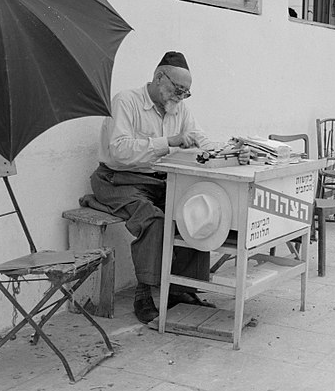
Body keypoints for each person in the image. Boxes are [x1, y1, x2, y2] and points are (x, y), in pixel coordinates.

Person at [89, 51, 231, 324]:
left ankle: (181, 289)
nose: (180, 97)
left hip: (156, 180)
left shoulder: (178, 108)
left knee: (196, 209)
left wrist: (231, 150)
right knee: (153, 219)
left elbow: (202, 140)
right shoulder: (126, 101)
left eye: (186, 93)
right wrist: (169, 141)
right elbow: (119, 152)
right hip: (118, 179)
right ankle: (144, 293)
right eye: (177, 90)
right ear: (158, 78)